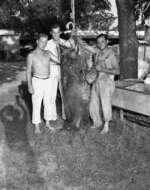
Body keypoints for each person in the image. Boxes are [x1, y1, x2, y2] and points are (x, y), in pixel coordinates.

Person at [78, 34, 120, 134]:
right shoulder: (97, 52)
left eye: (102, 41)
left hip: (107, 82)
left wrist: (103, 69)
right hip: (96, 81)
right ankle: (97, 122)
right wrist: (77, 37)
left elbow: (117, 71)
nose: (100, 44)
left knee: (105, 104)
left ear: (107, 41)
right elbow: (85, 47)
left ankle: (106, 125)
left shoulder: (111, 54)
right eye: (99, 42)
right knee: (93, 102)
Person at [26, 33, 58, 133]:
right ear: (37, 41)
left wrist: (57, 48)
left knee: (48, 102)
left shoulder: (48, 53)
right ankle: (36, 126)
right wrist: (30, 85)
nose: (43, 44)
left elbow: (58, 61)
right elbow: (28, 71)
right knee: (36, 103)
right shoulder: (31, 55)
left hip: (48, 81)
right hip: (37, 81)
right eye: (41, 41)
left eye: (45, 42)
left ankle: (48, 123)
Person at [45, 24, 75, 129]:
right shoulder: (47, 44)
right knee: (51, 95)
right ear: (51, 33)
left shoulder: (63, 42)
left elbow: (73, 47)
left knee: (64, 94)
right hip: (52, 70)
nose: (56, 34)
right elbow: (46, 55)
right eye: (54, 32)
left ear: (60, 32)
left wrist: (72, 32)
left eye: (58, 32)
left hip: (63, 71)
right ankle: (51, 117)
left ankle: (66, 115)